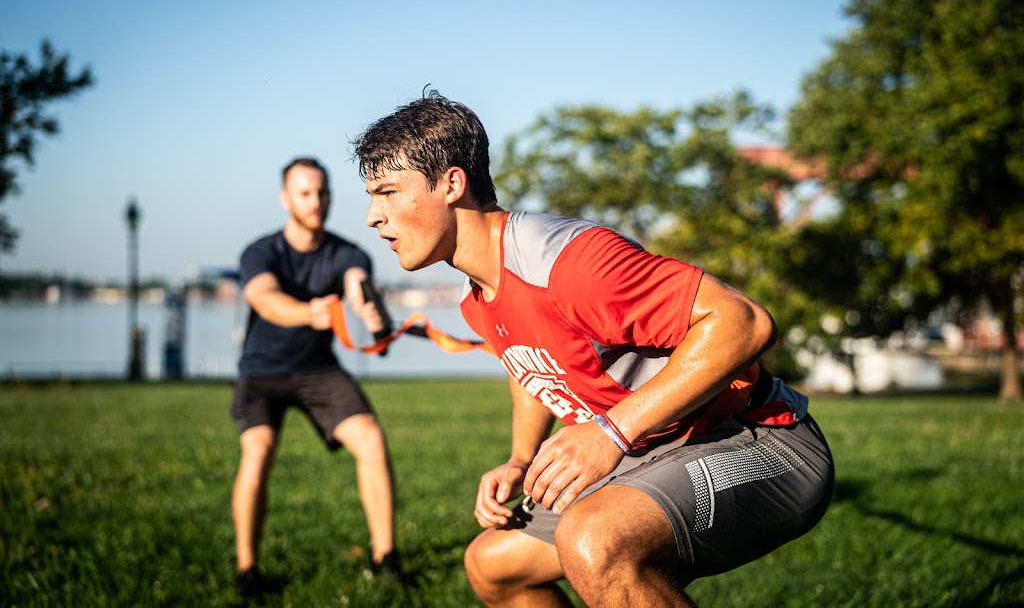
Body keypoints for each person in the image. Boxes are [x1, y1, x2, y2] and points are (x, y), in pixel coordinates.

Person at [352, 91, 835, 607]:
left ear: (451, 183)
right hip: (652, 448)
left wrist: (611, 430)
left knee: (593, 538)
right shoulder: (479, 294)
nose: (372, 217)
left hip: (764, 439)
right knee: (493, 567)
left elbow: (744, 322)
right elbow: (530, 366)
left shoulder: (567, 264)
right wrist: (520, 459)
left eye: (387, 192)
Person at [230, 157, 401, 597]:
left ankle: (386, 558)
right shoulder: (260, 252)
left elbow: (357, 284)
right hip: (262, 371)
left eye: (322, 192)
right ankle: (248, 569)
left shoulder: (347, 253)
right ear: (286, 199)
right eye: (305, 193)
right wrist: (310, 312)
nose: (316, 201)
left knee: (371, 439)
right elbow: (266, 300)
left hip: (319, 371)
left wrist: (372, 313)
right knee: (259, 449)